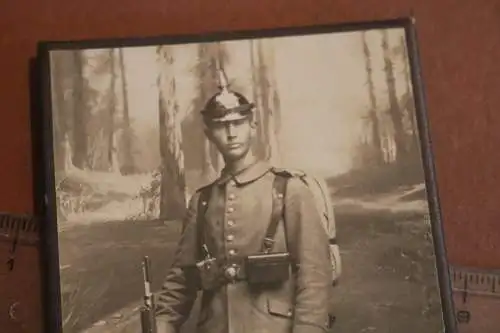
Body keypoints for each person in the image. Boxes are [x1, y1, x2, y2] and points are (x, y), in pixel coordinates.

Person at [154, 70, 333, 333]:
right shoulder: (202, 201)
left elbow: (314, 276)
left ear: (252, 126)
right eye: (221, 125)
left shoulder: (288, 189)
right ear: (209, 134)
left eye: (238, 123)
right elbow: (182, 278)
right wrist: (162, 323)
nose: (231, 132)